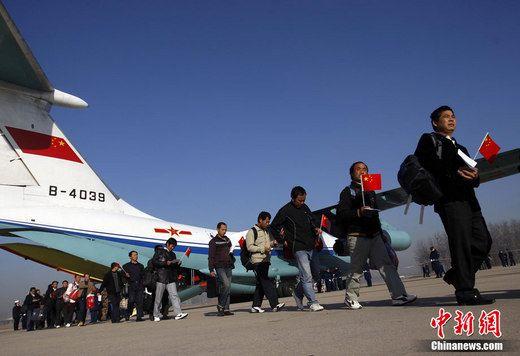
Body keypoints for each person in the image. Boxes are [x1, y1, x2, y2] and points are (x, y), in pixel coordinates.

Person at [414, 105, 494, 305]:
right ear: (435, 122)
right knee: (461, 243)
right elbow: (427, 167)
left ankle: (457, 275)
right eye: (446, 117)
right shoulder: (429, 140)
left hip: (470, 201)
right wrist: (453, 174)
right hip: (450, 201)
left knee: (484, 241)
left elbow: (475, 178)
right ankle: (465, 291)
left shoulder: (462, 148)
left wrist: (475, 175)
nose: (451, 120)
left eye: (453, 116)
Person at [336, 161, 417, 309]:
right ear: (352, 173)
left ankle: (399, 295)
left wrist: (381, 233)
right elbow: (341, 214)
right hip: (357, 235)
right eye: (358, 169)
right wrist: (359, 212)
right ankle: (350, 298)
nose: (362, 171)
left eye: (365, 169)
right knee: (356, 268)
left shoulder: (371, 191)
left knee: (387, 265)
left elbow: (376, 215)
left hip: (375, 235)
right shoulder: (348, 191)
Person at [271, 186, 324, 312]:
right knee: (306, 275)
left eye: (304, 200)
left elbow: (312, 220)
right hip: (298, 247)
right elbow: (274, 226)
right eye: (300, 200)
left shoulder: (305, 208)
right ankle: (312, 302)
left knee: (316, 274)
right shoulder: (285, 210)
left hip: (311, 245)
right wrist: (282, 240)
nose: (302, 203)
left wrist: (316, 228)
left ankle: (298, 293)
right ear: (293, 198)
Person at [246, 211, 286, 313]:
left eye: (269, 222)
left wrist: (274, 243)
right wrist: (263, 248)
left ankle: (255, 306)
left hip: (266, 260)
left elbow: (268, 244)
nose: (268, 224)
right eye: (267, 222)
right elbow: (249, 247)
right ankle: (275, 304)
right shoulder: (252, 232)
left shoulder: (266, 231)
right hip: (257, 261)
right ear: (260, 220)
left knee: (261, 283)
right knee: (266, 281)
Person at [152, 238, 188, 321]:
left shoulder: (173, 254)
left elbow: (174, 267)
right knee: (158, 297)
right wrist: (165, 263)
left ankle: (178, 313)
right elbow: (154, 262)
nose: (173, 248)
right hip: (161, 278)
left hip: (170, 278)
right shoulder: (159, 251)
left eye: (174, 246)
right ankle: (156, 315)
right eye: (172, 246)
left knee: (174, 295)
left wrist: (177, 264)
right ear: (167, 244)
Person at [208, 222, 235, 316]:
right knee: (226, 285)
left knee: (228, 288)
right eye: (223, 229)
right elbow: (211, 256)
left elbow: (230, 247)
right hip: (219, 267)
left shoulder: (227, 240)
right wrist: (211, 269)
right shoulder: (213, 242)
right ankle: (220, 305)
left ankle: (226, 309)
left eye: (225, 229)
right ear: (218, 229)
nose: (224, 231)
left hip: (228, 266)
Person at [122, 250, 145, 322]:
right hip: (131, 285)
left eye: (137, 255)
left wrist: (143, 284)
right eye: (134, 255)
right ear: (130, 257)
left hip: (139, 285)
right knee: (131, 301)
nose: (136, 256)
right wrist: (125, 276)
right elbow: (122, 276)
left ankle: (139, 316)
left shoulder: (141, 266)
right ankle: (127, 315)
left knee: (140, 301)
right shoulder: (126, 266)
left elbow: (143, 276)